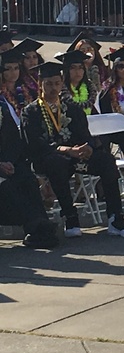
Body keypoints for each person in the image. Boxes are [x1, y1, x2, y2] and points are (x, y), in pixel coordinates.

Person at [24, 62, 124, 238]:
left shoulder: (72, 109)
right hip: (48, 158)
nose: (53, 88)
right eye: (48, 84)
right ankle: (71, 218)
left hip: (76, 157)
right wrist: (65, 149)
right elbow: (35, 144)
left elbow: (85, 135)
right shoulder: (31, 112)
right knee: (56, 163)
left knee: (106, 161)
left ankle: (116, 218)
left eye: (56, 83)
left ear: (62, 82)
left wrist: (88, 148)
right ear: (40, 83)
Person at [0, 92, 58, 248]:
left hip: (5, 163)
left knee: (27, 178)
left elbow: (13, 140)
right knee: (6, 186)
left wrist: (9, 161)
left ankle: (37, 229)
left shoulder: (1, 110)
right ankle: (36, 225)